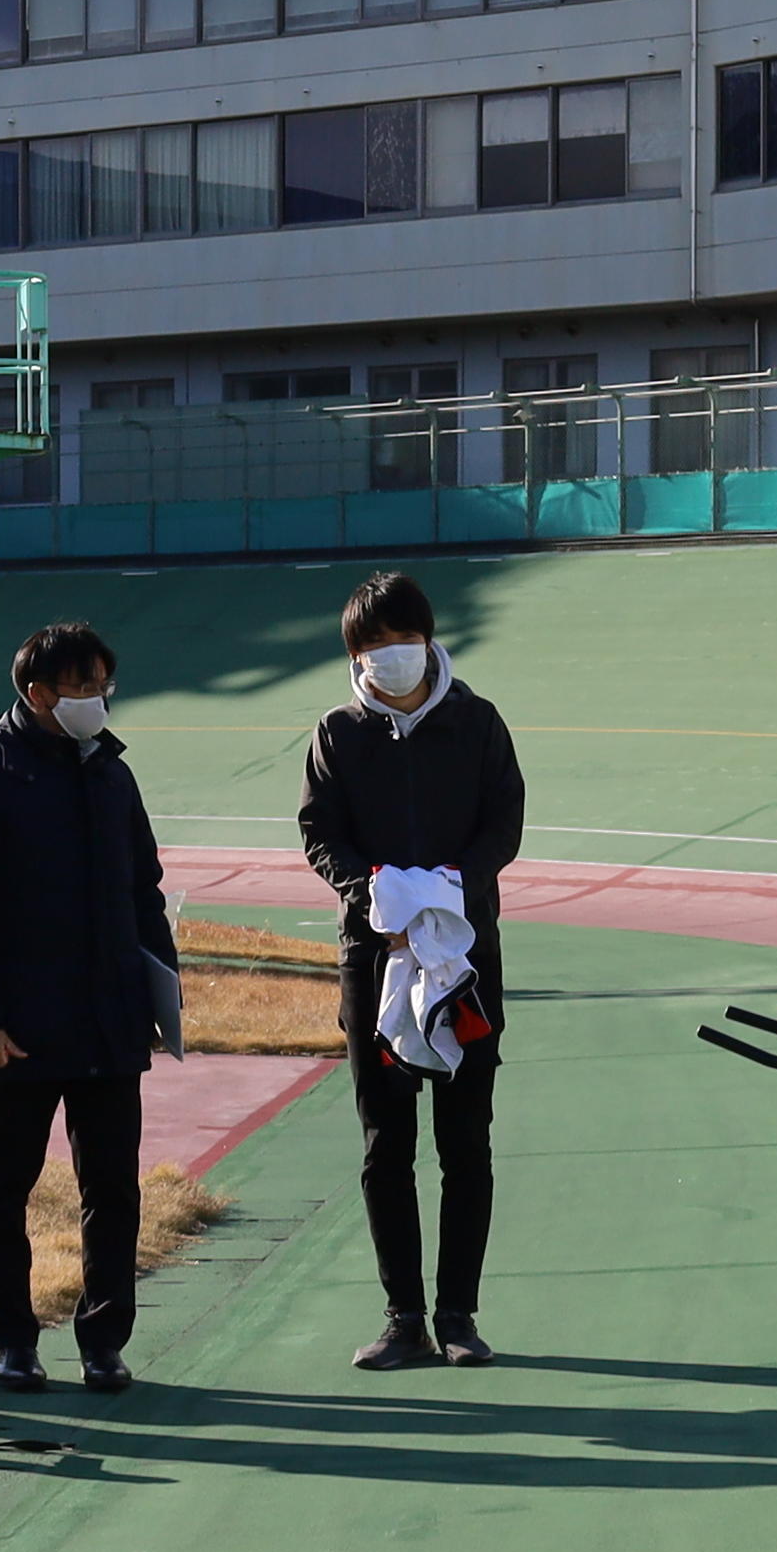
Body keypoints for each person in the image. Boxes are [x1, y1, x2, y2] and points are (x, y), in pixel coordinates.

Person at [0, 621, 181, 1395]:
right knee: (7, 1184)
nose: (95, 699)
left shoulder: (112, 775)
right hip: (20, 1029)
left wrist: (158, 997)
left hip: (110, 1020)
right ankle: (13, 1337)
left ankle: (104, 1341)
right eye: (80, 687)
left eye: (102, 684)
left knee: (112, 1188)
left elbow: (143, 891)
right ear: (37, 694)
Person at [295, 570, 524, 1371]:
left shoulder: (478, 723)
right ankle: (404, 1318)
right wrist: (376, 895)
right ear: (354, 657)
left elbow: (504, 825)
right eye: (370, 646)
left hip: (465, 961)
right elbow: (320, 832)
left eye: (400, 639)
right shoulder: (337, 732)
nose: (387, 657)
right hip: (375, 962)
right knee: (385, 1144)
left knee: (467, 1141)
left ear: (428, 639)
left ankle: (459, 1314)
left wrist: (448, 892)